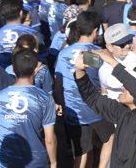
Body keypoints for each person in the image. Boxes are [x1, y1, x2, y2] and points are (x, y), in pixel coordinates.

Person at [74, 48, 136, 168]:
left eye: (127, 84)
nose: (122, 87)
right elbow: (93, 98)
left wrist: (112, 61)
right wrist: (80, 71)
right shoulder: (122, 112)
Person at [55, 10, 114, 168]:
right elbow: (103, 81)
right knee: (111, 137)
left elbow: (58, 84)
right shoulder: (96, 53)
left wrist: (63, 106)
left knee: (81, 153)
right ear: (96, 31)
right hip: (96, 109)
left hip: (74, 112)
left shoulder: (63, 54)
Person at [0, 48, 57, 168]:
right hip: (36, 163)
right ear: (35, 70)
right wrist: (54, 163)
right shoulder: (45, 98)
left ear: (13, 69)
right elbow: (49, 139)